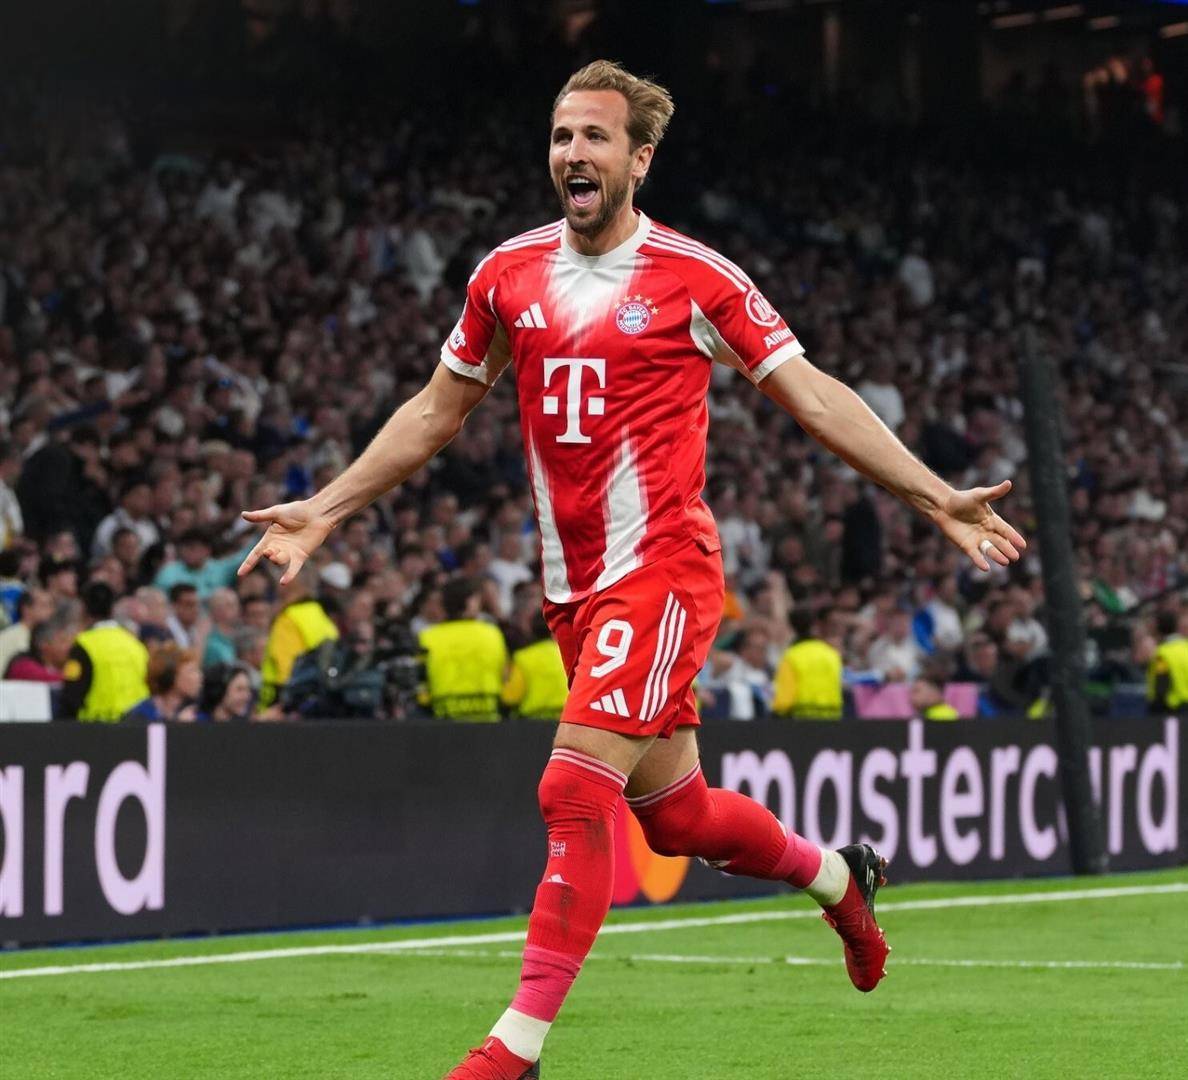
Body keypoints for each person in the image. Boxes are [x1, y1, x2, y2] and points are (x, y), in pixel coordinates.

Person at [237, 61, 1025, 1078]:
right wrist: (325, 509)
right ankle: (840, 878)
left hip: (662, 574)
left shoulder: (697, 278)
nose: (574, 153)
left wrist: (932, 496)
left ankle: (512, 1052)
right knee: (679, 815)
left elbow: (816, 395)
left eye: (596, 137)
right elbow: (436, 411)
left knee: (571, 791)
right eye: (563, 135)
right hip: (572, 589)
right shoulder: (506, 273)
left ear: (639, 159)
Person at [419, 577, 509, 721]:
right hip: (488, 716)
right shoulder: (492, 633)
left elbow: (421, 683)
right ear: (469, 602)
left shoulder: (427, 637)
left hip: (444, 717)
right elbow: (505, 675)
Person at [59, 580, 150, 722]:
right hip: (137, 725)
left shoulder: (83, 644)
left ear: (83, 609)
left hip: (96, 726)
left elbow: (72, 692)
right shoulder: (135, 644)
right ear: (112, 609)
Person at [259, 562, 339, 707]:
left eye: (281, 573)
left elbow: (284, 670)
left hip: (282, 705)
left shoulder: (289, 619)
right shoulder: (323, 619)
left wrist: (281, 707)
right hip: (315, 703)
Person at [772, 608, 844, 719]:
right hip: (833, 720)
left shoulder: (792, 657)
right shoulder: (831, 654)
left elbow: (784, 702)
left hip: (802, 721)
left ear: (791, 628)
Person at [502, 614, 569, 720]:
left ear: (531, 630)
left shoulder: (523, 657)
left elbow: (511, 697)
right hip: (566, 719)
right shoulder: (565, 653)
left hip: (533, 722)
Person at [123, 644, 202, 723]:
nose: (199, 677)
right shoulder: (139, 717)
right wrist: (178, 726)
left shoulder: (196, 714)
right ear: (170, 676)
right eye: (192, 671)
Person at [3, 613, 76, 683]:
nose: (70, 646)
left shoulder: (66, 665)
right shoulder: (22, 666)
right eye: (63, 641)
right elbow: (59, 681)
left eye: (70, 641)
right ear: (43, 644)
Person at [0, 587, 54, 676]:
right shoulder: (8, 637)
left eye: (51, 606)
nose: (51, 611)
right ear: (26, 609)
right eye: (44, 605)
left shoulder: (52, 638)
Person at [1147, 610, 1188, 713]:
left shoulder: (1162, 654)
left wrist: (1155, 708)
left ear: (1157, 628)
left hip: (1172, 709)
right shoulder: (1186, 647)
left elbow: (1161, 683)